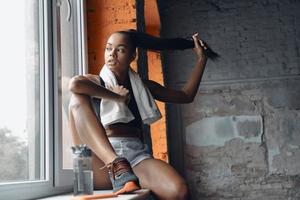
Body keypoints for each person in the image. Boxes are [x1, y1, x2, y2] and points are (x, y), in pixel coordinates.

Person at [68, 29, 216, 200]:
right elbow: (75, 84)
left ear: (132, 56)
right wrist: (117, 96)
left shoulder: (143, 87)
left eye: (120, 50)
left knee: (179, 191)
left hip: (135, 158)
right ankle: (116, 165)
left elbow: (186, 96)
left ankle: (122, 171)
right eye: (108, 48)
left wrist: (201, 59)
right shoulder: (96, 82)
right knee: (76, 99)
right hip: (98, 161)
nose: (112, 55)